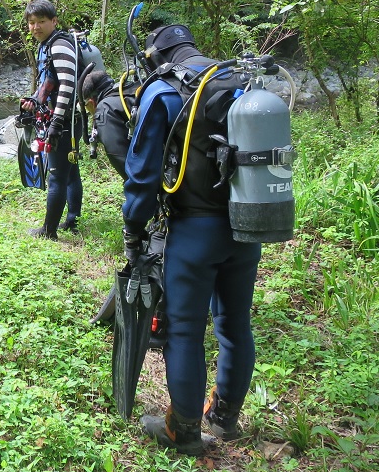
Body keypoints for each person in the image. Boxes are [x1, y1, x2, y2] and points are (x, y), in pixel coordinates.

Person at [121, 24, 260, 455]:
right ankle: (224, 417)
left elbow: (142, 176)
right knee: (234, 323)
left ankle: (183, 431)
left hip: (193, 229)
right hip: (246, 225)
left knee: (183, 331)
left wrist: (134, 227)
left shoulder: (162, 91)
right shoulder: (234, 80)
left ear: (156, 56)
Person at [21, 0, 83, 239]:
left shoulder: (58, 45)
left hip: (65, 120)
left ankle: (49, 231)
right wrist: (33, 101)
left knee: (57, 174)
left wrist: (56, 122)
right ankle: (72, 220)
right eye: (32, 23)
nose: (36, 27)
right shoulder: (46, 45)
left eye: (41, 22)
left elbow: (67, 84)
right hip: (66, 118)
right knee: (71, 172)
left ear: (54, 21)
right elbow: (50, 84)